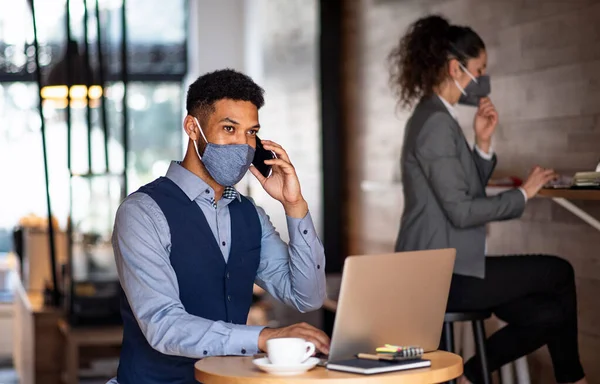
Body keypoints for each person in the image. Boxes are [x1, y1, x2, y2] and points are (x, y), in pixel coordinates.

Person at [388, 15, 587, 384]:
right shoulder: (434, 123)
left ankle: (472, 376)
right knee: (558, 272)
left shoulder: (439, 117)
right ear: (455, 68)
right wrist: (524, 192)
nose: (482, 79)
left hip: (452, 266)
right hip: (439, 276)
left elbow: (462, 194)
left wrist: (482, 144)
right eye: (479, 69)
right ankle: (571, 380)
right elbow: (463, 212)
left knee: (548, 312)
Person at [108, 69, 329, 384]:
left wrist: (294, 206)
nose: (243, 145)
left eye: (251, 133)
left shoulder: (249, 214)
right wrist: (265, 337)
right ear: (192, 128)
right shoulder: (142, 213)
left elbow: (307, 296)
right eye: (229, 128)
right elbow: (163, 325)